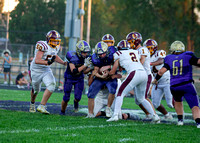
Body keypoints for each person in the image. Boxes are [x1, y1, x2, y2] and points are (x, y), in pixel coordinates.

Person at [107, 40, 160, 122]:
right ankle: (155, 116)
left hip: (134, 73)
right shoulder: (135, 52)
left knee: (120, 93)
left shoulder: (118, 54)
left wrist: (109, 73)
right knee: (141, 99)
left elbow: (114, 70)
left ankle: (115, 115)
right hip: (143, 73)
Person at [152, 41, 200, 128]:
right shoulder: (188, 55)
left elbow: (161, 71)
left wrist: (155, 80)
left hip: (174, 86)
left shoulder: (169, 58)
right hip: (186, 84)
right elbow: (198, 62)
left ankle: (180, 121)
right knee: (194, 105)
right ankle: (198, 123)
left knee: (178, 102)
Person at [29, 30, 66, 114]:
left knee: (52, 85)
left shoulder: (56, 47)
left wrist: (63, 63)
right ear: (48, 39)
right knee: (36, 90)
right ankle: (32, 103)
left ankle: (42, 105)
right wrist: (47, 62)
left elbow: (55, 56)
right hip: (36, 70)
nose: (55, 42)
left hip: (46, 70)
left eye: (56, 40)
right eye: (53, 40)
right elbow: (37, 60)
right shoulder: (43, 45)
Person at [126, 32, 157, 119]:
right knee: (138, 100)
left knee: (144, 97)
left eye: (131, 41)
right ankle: (148, 114)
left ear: (136, 41)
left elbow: (142, 61)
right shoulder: (135, 51)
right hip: (140, 75)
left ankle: (154, 115)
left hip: (146, 76)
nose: (129, 43)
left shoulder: (142, 49)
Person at [144, 39, 174, 120]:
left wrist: (150, 63)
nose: (149, 50)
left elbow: (161, 61)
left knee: (170, 104)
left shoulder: (159, 53)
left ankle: (180, 116)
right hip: (157, 82)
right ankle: (167, 115)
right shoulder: (145, 57)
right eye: (147, 48)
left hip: (167, 80)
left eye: (150, 48)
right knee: (155, 104)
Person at [60, 40, 92, 115]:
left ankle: (75, 102)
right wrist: (85, 65)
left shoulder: (87, 57)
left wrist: (90, 68)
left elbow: (84, 71)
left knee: (78, 97)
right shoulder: (72, 56)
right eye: (84, 52)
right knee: (66, 97)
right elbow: (73, 71)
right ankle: (62, 111)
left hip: (79, 78)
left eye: (86, 52)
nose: (85, 54)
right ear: (78, 51)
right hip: (69, 77)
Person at [87, 41, 117, 118]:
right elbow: (95, 71)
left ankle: (108, 108)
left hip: (111, 76)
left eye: (104, 53)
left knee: (113, 88)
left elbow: (117, 63)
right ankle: (90, 113)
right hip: (101, 78)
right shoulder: (95, 58)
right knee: (91, 92)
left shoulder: (112, 52)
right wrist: (102, 76)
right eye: (100, 54)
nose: (102, 55)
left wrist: (108, 67)